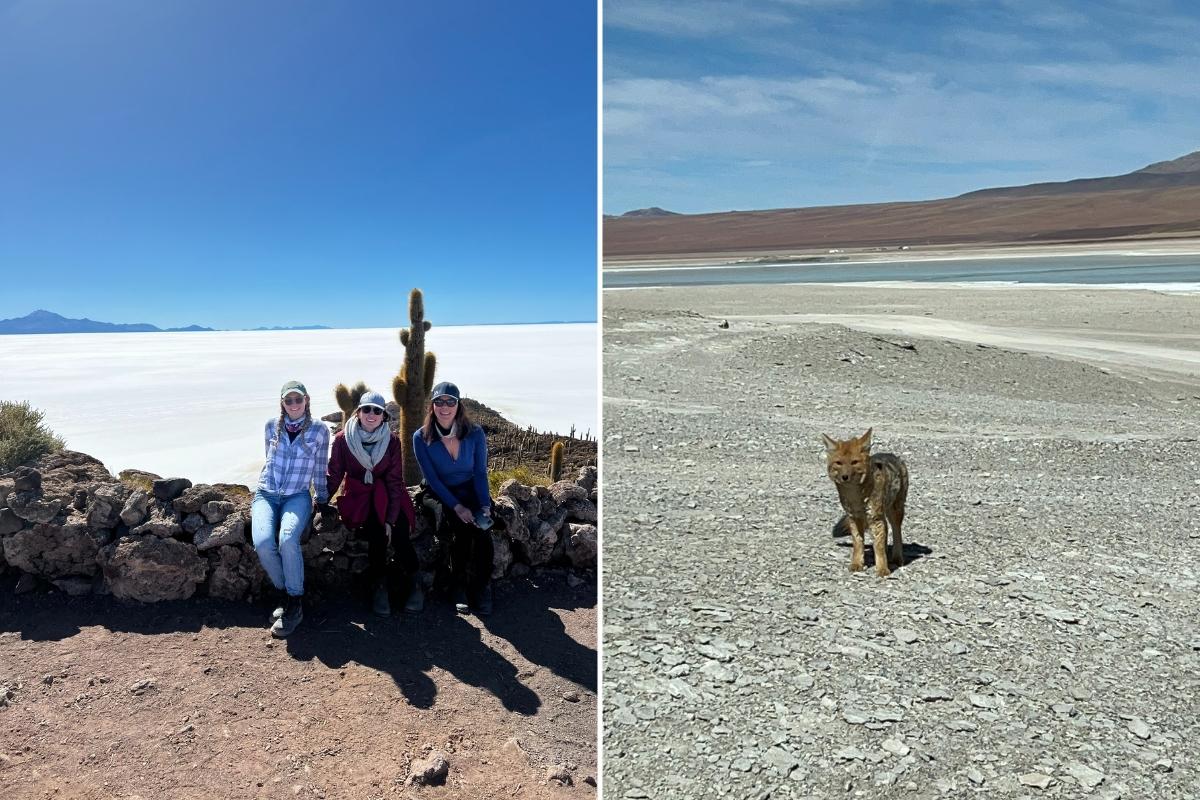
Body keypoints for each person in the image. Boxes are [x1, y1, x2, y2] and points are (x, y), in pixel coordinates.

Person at [326, 390, 419, 616]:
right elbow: (335, 473)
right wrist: (319, 501)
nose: (371, 414)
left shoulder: (392, 441)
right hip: (360, 497)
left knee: (399, 531)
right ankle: (380, 588)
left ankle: (415, 585)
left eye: (377, 410)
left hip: (389, 495)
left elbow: (395, 481)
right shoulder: (342, 440)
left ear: (384, 416)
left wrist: (390, 518)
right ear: (358, 412)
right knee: (376, 533)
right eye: (366, 409)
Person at [251, 380, 330, 638]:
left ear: (307, 400)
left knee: (287, 539)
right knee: (263, 542)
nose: (294, 404)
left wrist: (324, 498)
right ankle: (285, 592)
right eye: (289, 400)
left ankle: (295, 602)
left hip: (297, 496)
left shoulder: (319, 430)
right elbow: (268, 461)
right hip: (266, 493)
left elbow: (319, 467)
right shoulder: (270, 427)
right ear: (283, 403)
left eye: (298, 399)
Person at [411, 381, 494, 615]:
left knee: (483, 529)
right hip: (439, 491)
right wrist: (457, 507)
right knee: (459, 527)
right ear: (432, 406)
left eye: (450, 402)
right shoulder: (421, 437)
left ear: (458, 406)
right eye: (439, 401)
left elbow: (479, 472)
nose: (444, 407)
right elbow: (433, 480)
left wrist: (484, 505)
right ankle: (458, 588)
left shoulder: (475, 433)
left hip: (470, 487)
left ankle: (482, 586)